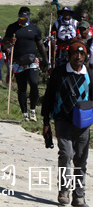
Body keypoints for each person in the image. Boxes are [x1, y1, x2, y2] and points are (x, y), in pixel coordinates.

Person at [42, 40, 92, 207]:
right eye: (75, 53)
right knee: (66, 154)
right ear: (69, 55)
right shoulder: (59, 73)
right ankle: (64, 191)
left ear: (86, 56)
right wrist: (46, 121)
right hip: (62, 119)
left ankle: (79, 196)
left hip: (83, 123)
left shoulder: (90, 75)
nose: (78, 57)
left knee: (81, 159)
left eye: (82, 54)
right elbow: (49, 96)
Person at [4, 6, 50, 122]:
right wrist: (10, 42)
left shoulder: (34, 29)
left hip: (32, 61)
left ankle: (33, 110)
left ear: (29, 17)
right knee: (22, 88)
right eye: (21, 17)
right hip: (18, 61)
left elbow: (40, 46)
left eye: (25, 18)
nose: (23, 20)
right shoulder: (12, 28)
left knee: (34, 83)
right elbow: (4, 45)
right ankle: (24, 114)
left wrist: (47, 62)